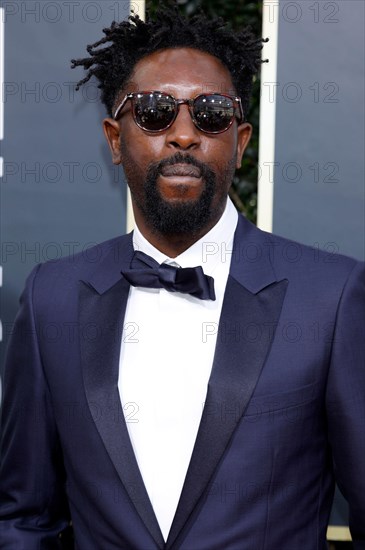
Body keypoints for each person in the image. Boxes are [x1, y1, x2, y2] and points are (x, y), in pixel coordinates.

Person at [0, 3, 364, 549]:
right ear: (115, 139)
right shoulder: (53, 296)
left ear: (239, 143)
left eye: (211, 112)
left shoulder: (332, 297)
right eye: (153, 111)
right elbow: (24, 516)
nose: (185, 135)